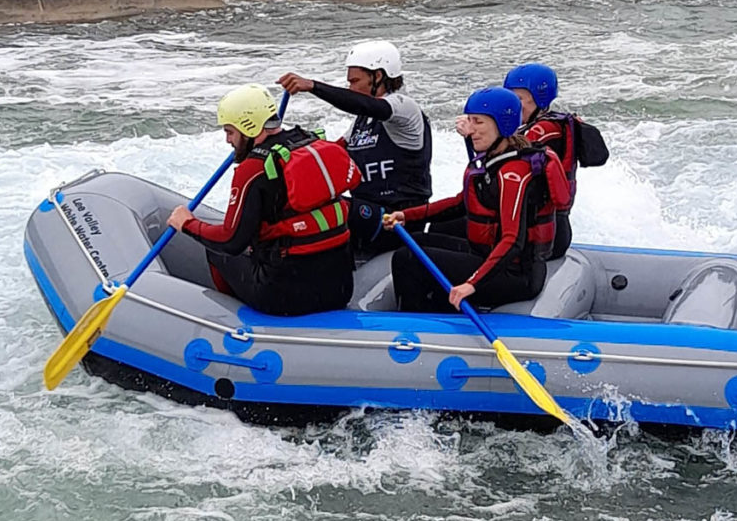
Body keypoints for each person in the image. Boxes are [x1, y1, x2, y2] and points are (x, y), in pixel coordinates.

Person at [167, 84, 360, 316]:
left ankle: (233, 321)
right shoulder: (310, 144)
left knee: (217, 252)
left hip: (285, 297)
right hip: (339, 288)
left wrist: (187, 224)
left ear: (249, 127)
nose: (228, 140)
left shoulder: (253, 169)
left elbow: (231, 241)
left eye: (230, 131)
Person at [385, 87, 570, 314]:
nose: (470, 129)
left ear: (502, 125)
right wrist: (407, 215)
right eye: (469, 120)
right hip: (486, 255)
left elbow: (513, 241)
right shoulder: (494, 159)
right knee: (416, 241)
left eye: (478, 122)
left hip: (517, 276)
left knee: (407, 258)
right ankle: (440, 310)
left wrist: (471, 284)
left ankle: (413, 329)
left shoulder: (513, 174)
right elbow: (461, 203)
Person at [277, 39, 432, 254]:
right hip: (369, 213)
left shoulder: (404, 108)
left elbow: (366, 104)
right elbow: (333, 152)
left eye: (355, 81)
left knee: (336, 209)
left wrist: (313, 86)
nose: (350, 88)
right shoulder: (362, 121)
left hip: (399, 219)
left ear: (378, 76)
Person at [503, 62, 609, 258]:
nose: (511, 106)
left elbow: (508, 155)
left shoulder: (546, 131)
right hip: (548, 229)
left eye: (518, 100)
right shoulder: (546, 124)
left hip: (545, 235)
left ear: (540, 100)